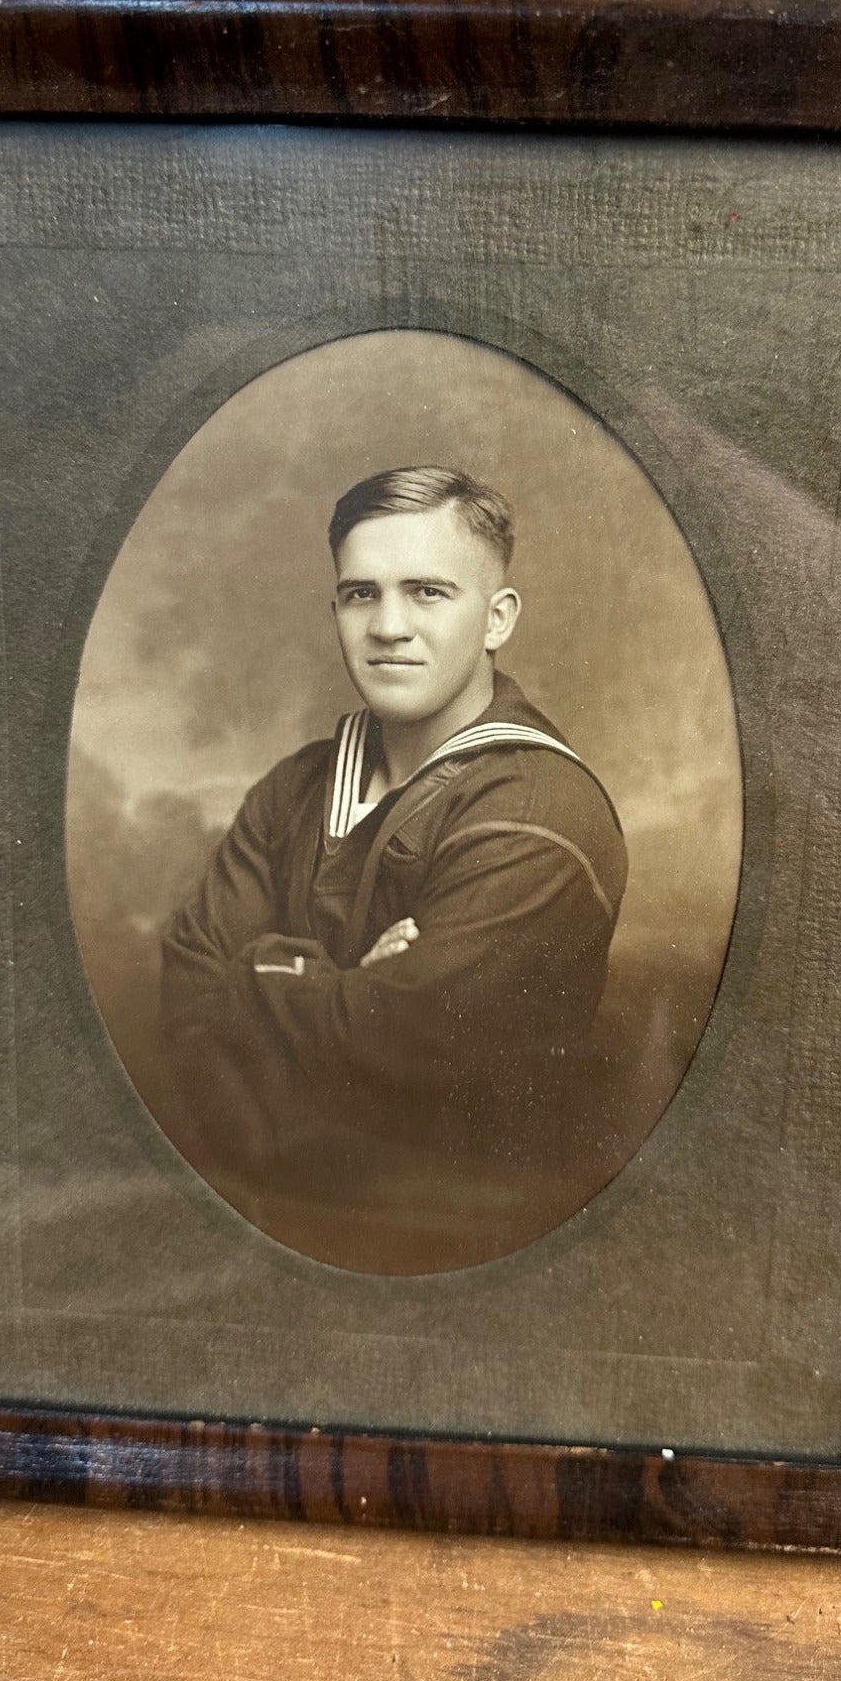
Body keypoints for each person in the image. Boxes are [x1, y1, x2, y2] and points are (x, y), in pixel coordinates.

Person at [158, 464, 628, 1270]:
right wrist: (339, 983)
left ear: (497, 618)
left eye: (429, 592)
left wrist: (257, 975)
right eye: (361, 594)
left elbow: (411, 1037)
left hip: (470, 1253)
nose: (388, 626)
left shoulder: (541, 813)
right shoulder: (294, 787)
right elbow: (183, 990)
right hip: (272, 1229)